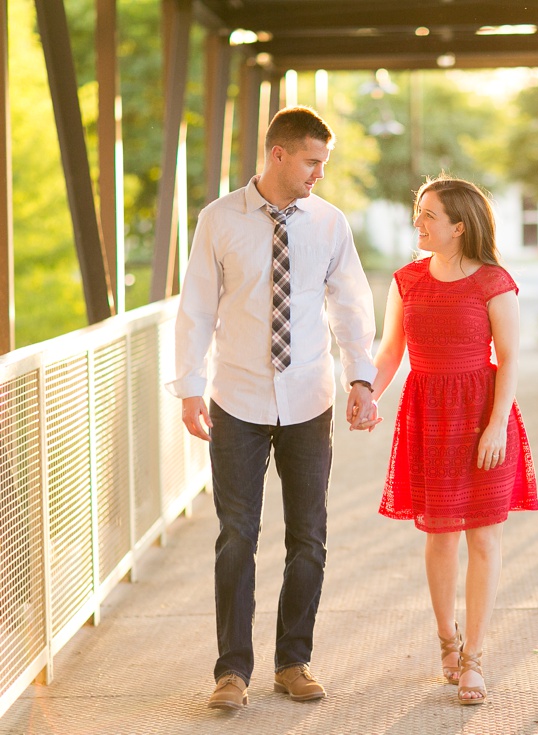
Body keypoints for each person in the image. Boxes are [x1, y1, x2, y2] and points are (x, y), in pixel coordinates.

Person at [166, 106, 380, 711]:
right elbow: (197, 308)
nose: (319, 173)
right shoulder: (220, 220)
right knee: (237, 536)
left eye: (324, 163)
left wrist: (360, 378)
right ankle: (231, 672)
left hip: (310, 398)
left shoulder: (329, 223)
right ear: (279, 154)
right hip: (237, 398)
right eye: (312, 161)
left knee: (308, 536)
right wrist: (188, 386)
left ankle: (294, 661)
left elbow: (350, 304)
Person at [366, 174, 538, 705]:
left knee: (484, 539)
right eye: (418, 212)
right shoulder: (407, 280)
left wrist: (494, 425)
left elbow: (508, 359)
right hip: (428, 417)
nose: (418, 222)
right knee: (439, 535)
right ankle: (447, 641)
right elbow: (391, 350)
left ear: (458, 226)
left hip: (483, 416)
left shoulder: (493, 281)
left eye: (428, 215)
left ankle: (475, 659)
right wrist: (367, 393)